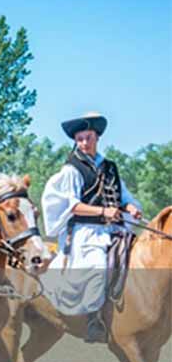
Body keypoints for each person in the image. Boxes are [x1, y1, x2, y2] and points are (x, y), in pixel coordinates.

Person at [41, 112, 142, 344]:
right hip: (85, 233)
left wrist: (130, 208)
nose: (84, 143)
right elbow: (73, 206)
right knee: (97, 266)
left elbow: (123, 197)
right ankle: (94, 320)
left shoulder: (110, 167)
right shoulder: (71, 170)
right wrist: (103, 212)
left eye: (88, 138)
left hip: (115, 230)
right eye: (80, 139)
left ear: (97, 137)